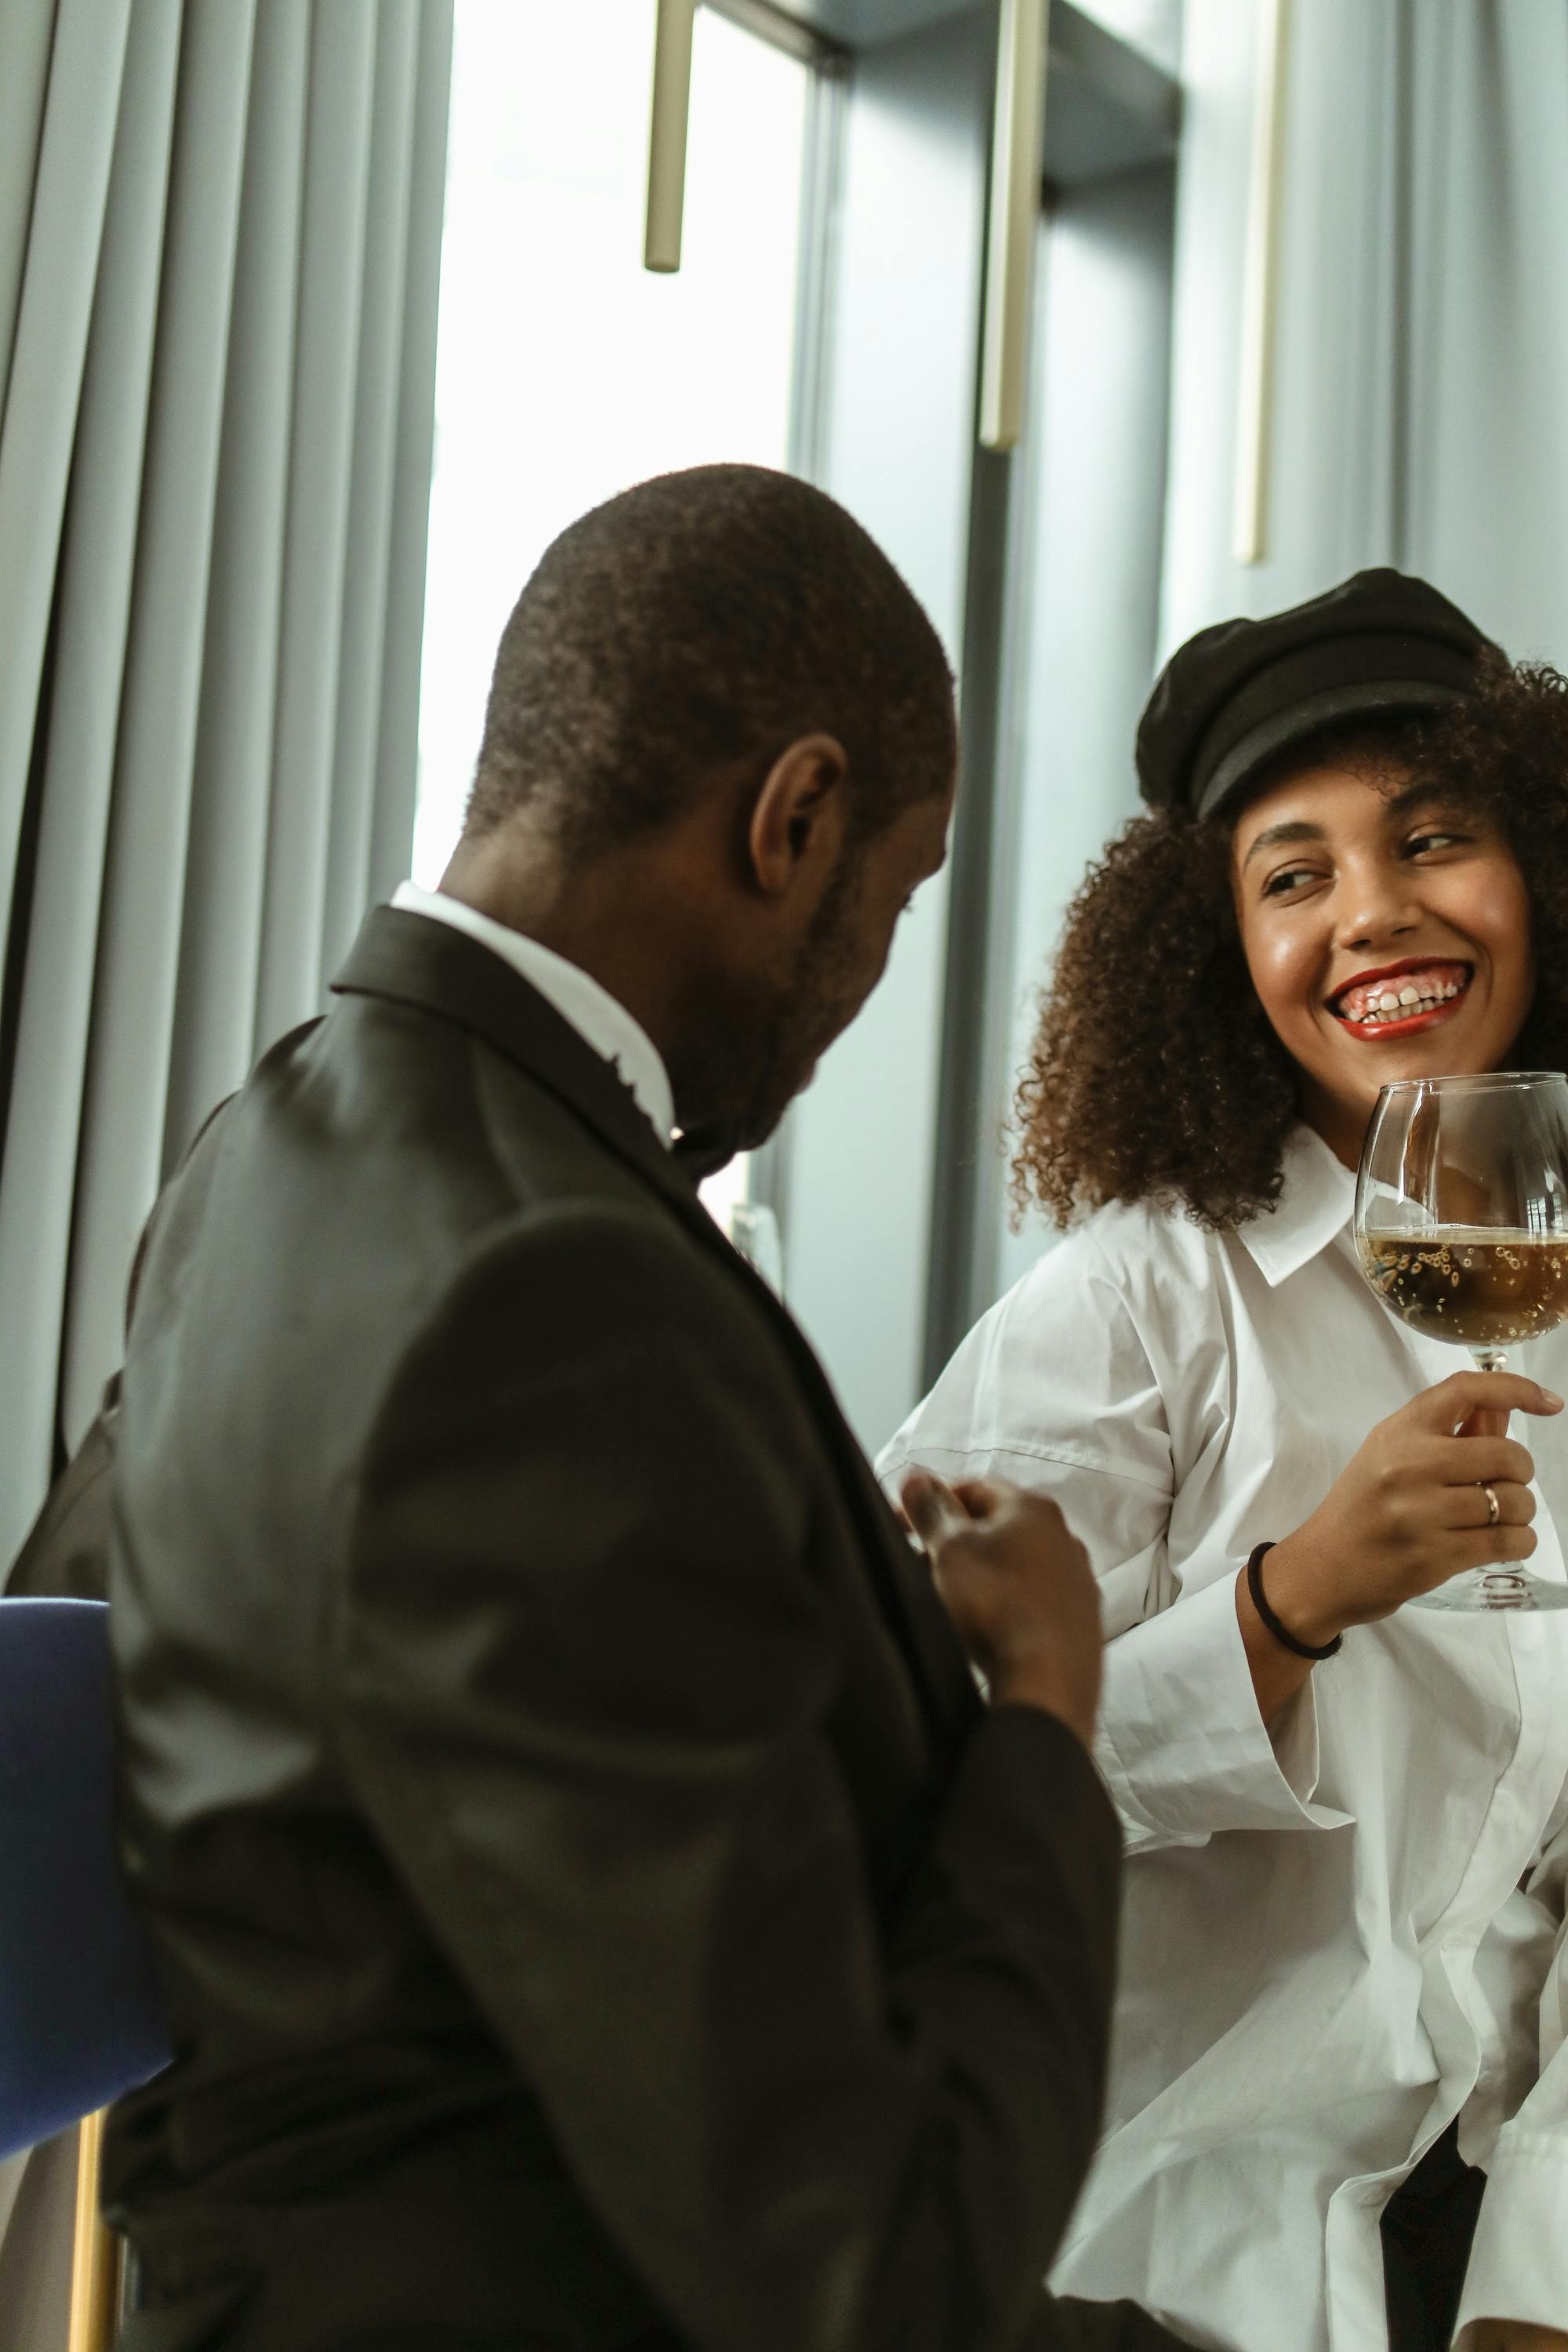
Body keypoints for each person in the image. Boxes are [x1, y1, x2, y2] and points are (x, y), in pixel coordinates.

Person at [7, 466, 1196, 2352]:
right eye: (891, 903)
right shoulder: (552, 1303)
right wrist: (1043, 1711)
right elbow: (885, 2272)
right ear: (793, 820)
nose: (864, 987)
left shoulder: (277, 1137)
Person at [880, 570, 1568, 2352]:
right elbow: (898, 1780)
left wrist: (1535, 2293)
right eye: (1294, 876)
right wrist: (1282, 1607)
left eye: (1433, 838)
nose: (1374, 915)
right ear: (1216, 956)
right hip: (1150, 2253)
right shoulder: (1130, 1306)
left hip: (1494, 2242)